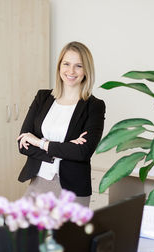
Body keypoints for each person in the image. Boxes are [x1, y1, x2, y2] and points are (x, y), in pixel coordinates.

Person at [17, 41, 106, 207]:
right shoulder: (42, 98)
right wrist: (64, 149)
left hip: (72, 190)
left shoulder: (94, 106)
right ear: (59, 67)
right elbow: (23, 144)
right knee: (23, 232)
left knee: (67, 234)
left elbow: (82, 152)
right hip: (38, 182)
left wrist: (40, 142)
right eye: (66, 64)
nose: (71, 71)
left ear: (86, 70)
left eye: (78, 66)